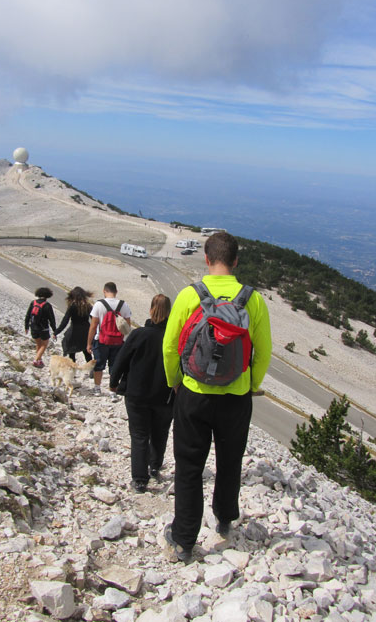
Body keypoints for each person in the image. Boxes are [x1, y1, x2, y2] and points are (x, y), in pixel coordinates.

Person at [162, 232, 272, 562]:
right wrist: (251, 384)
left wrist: (176, 382)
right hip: (236, 397)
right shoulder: (253, 300)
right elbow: (263, 352)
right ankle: (225, 518)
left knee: (189, 466)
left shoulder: (188, 295)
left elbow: (169, 347)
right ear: (236, 261)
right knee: (229, 460)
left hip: (193, 394)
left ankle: (183, 540)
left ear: (206, 260)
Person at [110, 294, 174, 494]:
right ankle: (154, 466)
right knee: (160, 432)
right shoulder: (174, 338)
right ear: (170, 313)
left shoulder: (139, 335)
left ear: (150, 310)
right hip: (165, 395)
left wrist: (114, 382)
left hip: (137, 394)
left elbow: (121, 360)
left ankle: (139, 480)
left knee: (139, 435)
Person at [87, 282, 132, 395]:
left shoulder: (98, 304)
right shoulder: (124, 305)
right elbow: (127, 325)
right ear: (116, 292)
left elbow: (93, 325)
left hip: (101, 339)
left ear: (104, 291)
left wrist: (89, 343)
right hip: (118, 341)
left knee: (99, 365)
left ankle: (97, 388)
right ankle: (113, 390)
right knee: (114, 366)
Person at [54, 286, 93, 363]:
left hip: (74, 331)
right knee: (86, 351)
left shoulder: (72, 306)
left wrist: (57, 332)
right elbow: (94, 319)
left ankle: (72, 370)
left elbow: (65, 321)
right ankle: (91, 369)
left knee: (71, 351)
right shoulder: (88, 306)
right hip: (86, 331)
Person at [25, 286, 58, 368]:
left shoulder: (33, 303)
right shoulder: (47, 305)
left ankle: (39, 359)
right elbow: (51, 319)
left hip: (33, 327)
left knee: (38, 343)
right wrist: (55, 331)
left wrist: (26, 326)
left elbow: (28, 315)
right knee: (44, 344)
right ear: (48, 295)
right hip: (43, 328)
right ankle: (36, 360)